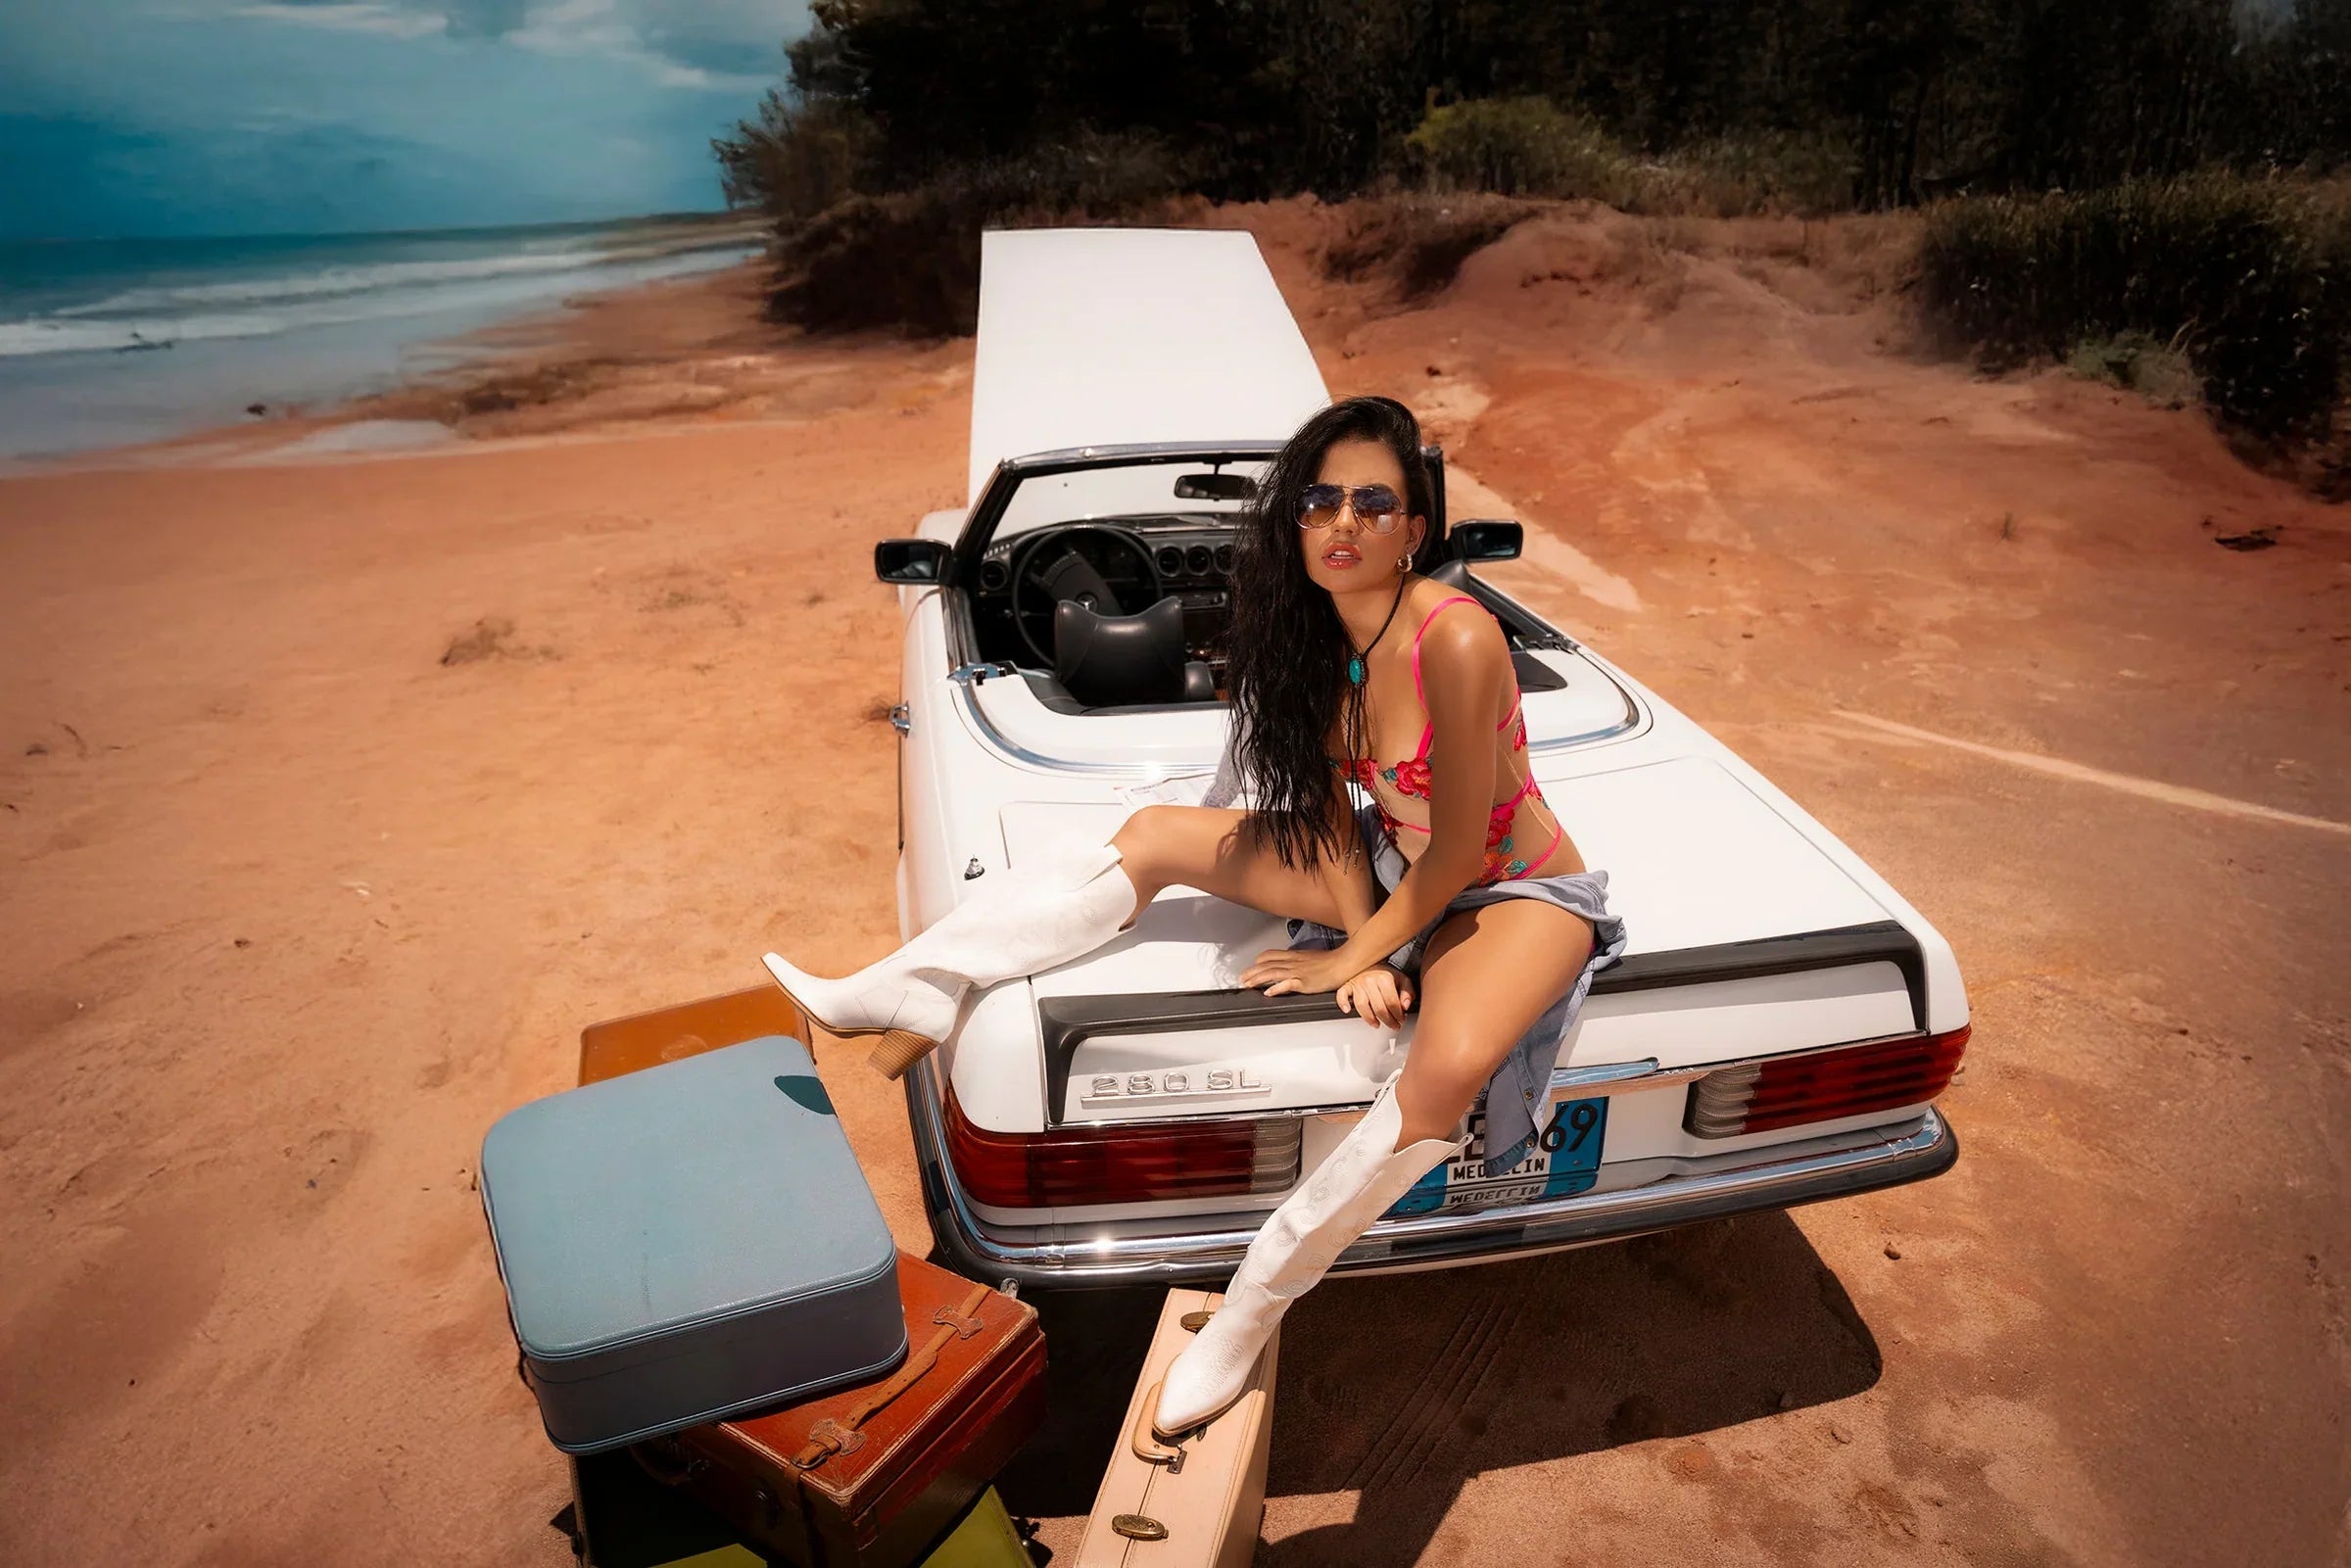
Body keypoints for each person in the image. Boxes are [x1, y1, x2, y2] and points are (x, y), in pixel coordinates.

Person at [760, 395, 1628, 1442]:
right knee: (1158, 833)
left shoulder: (1459, 638)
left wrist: (1350, 954)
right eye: (1319, 500)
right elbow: (1327, 811)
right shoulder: (1316, 638)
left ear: (1413, 528)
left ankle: (1252, 1303)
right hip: (1389, 857)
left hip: (1512, 887)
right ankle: (919, 984)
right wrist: (1362, 932)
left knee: (1445, 1070)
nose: (1342, 522)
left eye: (1372, 502)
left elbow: (1454, 854)